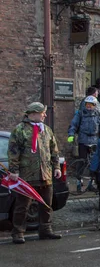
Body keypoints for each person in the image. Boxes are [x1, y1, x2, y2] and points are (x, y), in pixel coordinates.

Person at [7, 102, 62, 243]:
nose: (44, 115)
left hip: (46, 174)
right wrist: (14, 170)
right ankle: (18, 232)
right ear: (33, 114)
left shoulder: (47, 130)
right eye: (42, 112)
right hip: (27, 175)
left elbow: (53, 150)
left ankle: (45, 230)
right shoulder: (20, 130)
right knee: (22, 206)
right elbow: (13, 152)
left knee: (46, 204)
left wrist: (56, 167)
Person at [68, 96, 100, 193]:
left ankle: (93, 184)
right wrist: (71, 134)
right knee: (82, 162)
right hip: (83, 140)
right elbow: (74, 124)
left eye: (91, 105)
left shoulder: (98, 115)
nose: (89, 106)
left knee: (95, 163)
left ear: (95, 105)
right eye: (87, 104)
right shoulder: (80, 113)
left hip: (95, 141)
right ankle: (79, 184)